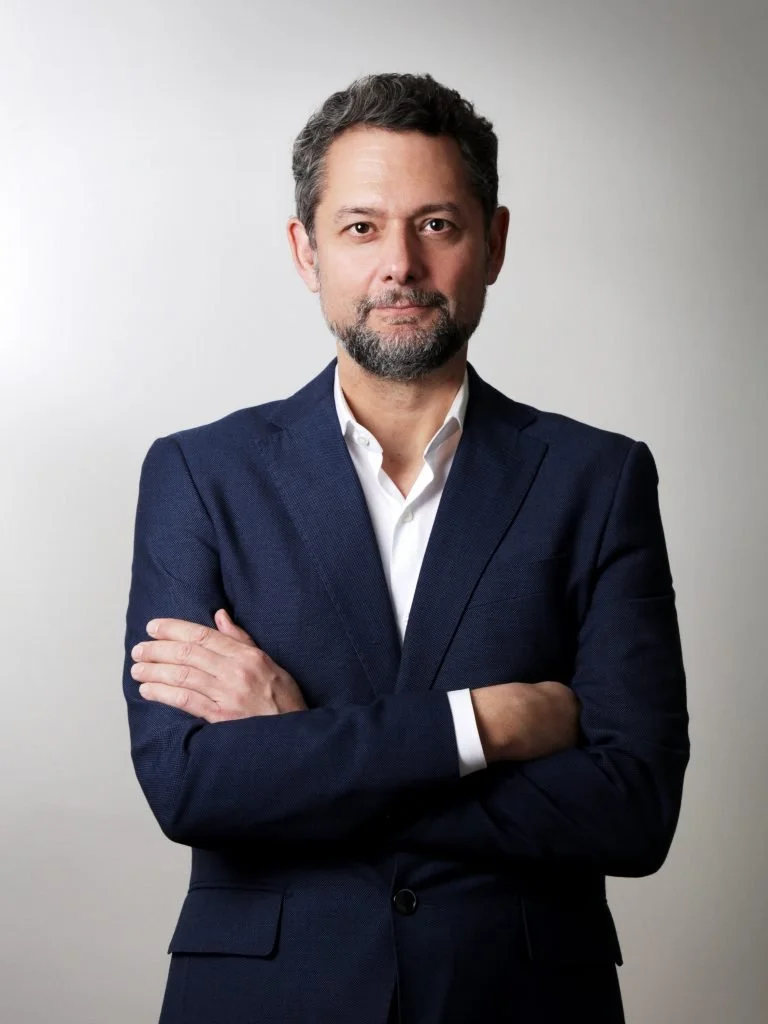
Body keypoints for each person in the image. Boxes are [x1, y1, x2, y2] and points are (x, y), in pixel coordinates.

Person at [123, 72, 689, 1024]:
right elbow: (191, 787)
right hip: (264, 999)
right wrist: (480, 727)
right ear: (305, 251)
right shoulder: (198, 474)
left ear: (493, 243)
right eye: (360, 227)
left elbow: (633, 810)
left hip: (520, 1001)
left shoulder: (599, 478)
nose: (400, 264)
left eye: (436, 224)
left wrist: (301, 747)